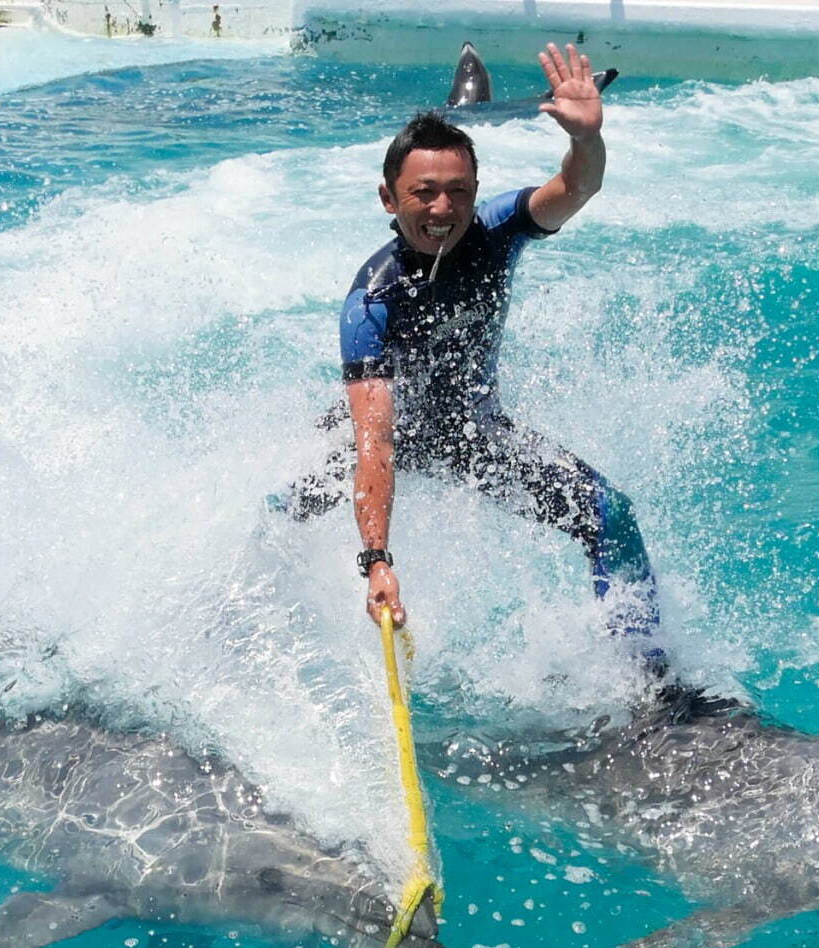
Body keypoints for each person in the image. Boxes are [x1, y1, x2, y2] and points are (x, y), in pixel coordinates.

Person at [284, 42, 667, 677]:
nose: (442, 209)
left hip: (470, 435)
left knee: (609, 514)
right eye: (423, 193)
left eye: (457, 191)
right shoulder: (372, 302)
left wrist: (587, 140)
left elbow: (577, 186)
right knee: (278, 516)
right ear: (388, 198)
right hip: (384, 440)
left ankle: (645, 678)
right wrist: (376, 559)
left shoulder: (496, 228)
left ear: (476, 191)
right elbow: (375, 441)